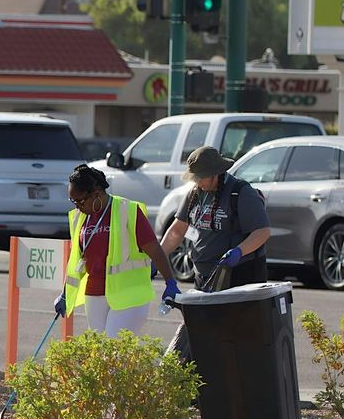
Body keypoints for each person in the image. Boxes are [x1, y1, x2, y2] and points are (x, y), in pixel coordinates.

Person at [159, 145, 272, 362]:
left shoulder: (241, 193)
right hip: (206, 277)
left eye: (201, 177)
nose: (198, 182)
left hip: (238, 276)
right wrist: (159, 256)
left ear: (215, 174)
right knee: (204, 336)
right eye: (195, 178)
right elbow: (177, 230)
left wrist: (239, 251)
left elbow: (263, 231)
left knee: (235, 337)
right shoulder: (195, 194)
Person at [54, 164, 179, 337]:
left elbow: (155, 250)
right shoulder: (79, 218)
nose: (77, 206)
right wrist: (65, 294)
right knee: (100, 356)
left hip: (129, 295)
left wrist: (170, 282)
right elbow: (77, 261)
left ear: (96, 193)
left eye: (80, 201)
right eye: (72, 201)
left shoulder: (127, 210)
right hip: (95, 294)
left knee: (113, 352)